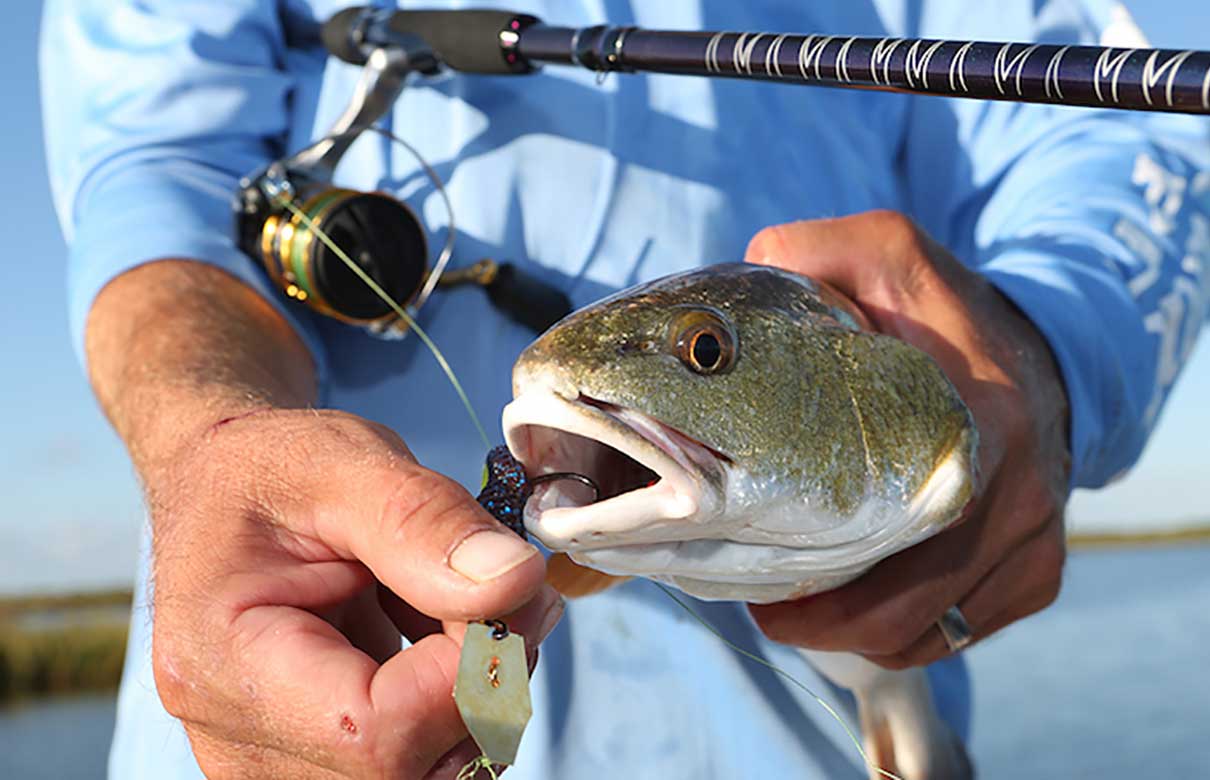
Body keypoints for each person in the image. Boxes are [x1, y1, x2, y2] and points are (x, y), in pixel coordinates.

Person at [41, 0, 1209, 778]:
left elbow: (1119, 128)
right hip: (284, 715)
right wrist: (213, 428)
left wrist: (1049, 356)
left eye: (703, 357)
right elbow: (154, 172)